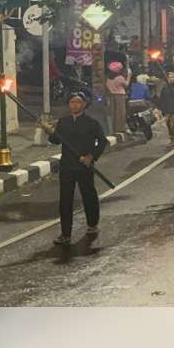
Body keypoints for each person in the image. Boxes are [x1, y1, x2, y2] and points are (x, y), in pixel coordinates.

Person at [39, 92, 109, 245]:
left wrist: (91, 157)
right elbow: (57, 140)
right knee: (65, 200)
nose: (74, 105)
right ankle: (65, 234)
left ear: (83, 104)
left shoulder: (91, 122)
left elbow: (103, 142)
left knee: (88, 195)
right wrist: (49, 131)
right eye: (72, 102)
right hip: (67, 166)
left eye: (78, 102)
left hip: (84, 167)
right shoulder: (63, 122)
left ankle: (92, 224)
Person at [106, 61, 130, 134]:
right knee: (120, 113)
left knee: (113, 113)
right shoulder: (120, 78)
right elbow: (126, 85)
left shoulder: (108, 78)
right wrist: (129, 76)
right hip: (120, 96)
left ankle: (113, 129)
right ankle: (120, 129)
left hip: (111, 96)